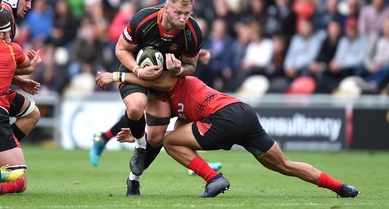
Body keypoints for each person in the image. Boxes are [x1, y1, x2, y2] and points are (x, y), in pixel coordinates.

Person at [96, 70, 359, 198]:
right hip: (243, 112)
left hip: (224, 119)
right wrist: (136, 135)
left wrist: (114, 75)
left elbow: (148, 81)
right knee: (285, 165)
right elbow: (170, 130)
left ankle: (214, 179)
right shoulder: (175, 102)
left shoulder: (172, 81)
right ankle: (341, 187)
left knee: (169, 142)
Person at [90, 0, 220, 174]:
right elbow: (120, 48)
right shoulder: (144, 19)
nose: (182, 17)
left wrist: (179, 69)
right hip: (137, 71)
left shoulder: (193, 30)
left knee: (159, 135)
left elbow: (190, 65)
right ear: (167, 6)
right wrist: (136, 70)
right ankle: (136, 145)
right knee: (136, 108)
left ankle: (137, 175)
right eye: (178, 12)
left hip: (165, 78)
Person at [0, 0, 41, 196]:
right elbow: (1, 60)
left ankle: (0, 148)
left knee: (32, 113)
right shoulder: (1, 17)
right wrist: (28, 70)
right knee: (19, 180)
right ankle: (0, 150)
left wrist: (18, 81)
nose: (29, 6)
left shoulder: (3, 15)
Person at [0, 10, 31, 195]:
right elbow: (27, 64)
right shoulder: (13, 48)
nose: (10, 36)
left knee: (32, 112)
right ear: (0, 33)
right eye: (8, 33)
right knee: (20, 179)